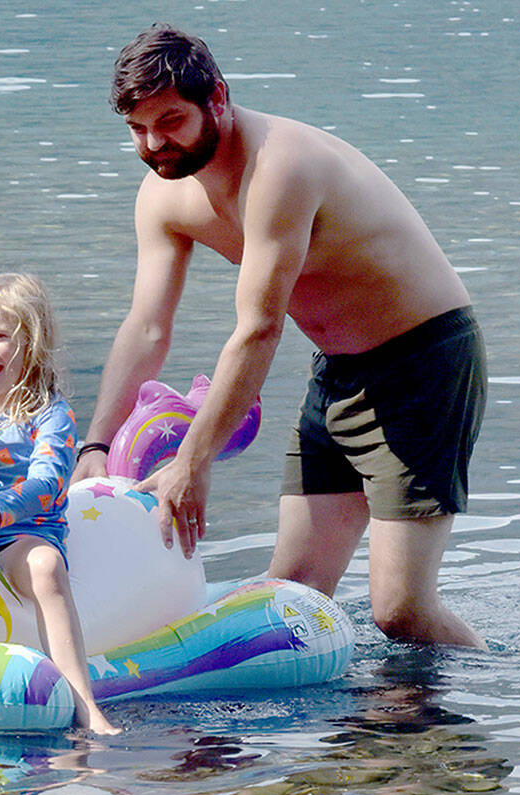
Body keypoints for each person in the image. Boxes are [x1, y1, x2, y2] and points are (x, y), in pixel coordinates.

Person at [71, 25, 486, 648]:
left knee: (400, 612)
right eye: (137, 129)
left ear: (218, 97)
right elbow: (148, 326)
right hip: (339, 371)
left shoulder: (280, 166)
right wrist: (94, 446)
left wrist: (194, 461)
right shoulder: (163, 196)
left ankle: (482, 716)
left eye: (171, 121)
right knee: (295, 590)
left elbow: (259, 327)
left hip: (424, 363)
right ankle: (363, 733)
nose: (154, 145)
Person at [0, 272, 121, 734]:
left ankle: (86, 706)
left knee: (44, 566)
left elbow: (47, 482)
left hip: (19, 535)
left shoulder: (50, 414)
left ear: (30, 344)